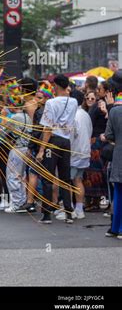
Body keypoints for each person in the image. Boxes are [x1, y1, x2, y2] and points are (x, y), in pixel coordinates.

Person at [37, 74, 78, 224]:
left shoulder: (51, 103)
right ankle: (69, 212)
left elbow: (47, 128)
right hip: (66, 141)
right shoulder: (74, 102)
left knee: (48, 177)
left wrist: (42, 149)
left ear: (55, 86)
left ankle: (47, 214)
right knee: (65, 178)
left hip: (53, 141)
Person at [24, 81, 54, 212]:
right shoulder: (51, 109)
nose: (36, 99)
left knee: (33, 173)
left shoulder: (41, 111)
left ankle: (31, 202)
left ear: (47, 98)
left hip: (40, 147)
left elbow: (37, 131)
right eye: (36, 96)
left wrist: (31, 147)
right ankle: (52, 204)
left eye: (40, 97)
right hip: (52, 147)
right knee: (50, 176)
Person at [2, 91, 32, 213]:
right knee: (22, 176)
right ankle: (22, 201)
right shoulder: (27, 117)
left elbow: (3, 131)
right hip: (26, 149)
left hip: (17, 149)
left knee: (12, 176)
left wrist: (3, 117)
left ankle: (16, 203)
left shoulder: (14, 118)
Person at [65, 90, 92, 221]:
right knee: (78, 180)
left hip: (74, 153)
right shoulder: (85, 114)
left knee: (69, 182)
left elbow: (71, 136)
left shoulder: (73, 115)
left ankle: (70, 209)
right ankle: (79, 209)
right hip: (84, 152)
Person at [103, 70, 122, 239]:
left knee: (118, 192)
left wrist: (110, 108)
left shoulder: (115, 110)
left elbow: (108, 135)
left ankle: (116, 227)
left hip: (118, 156)